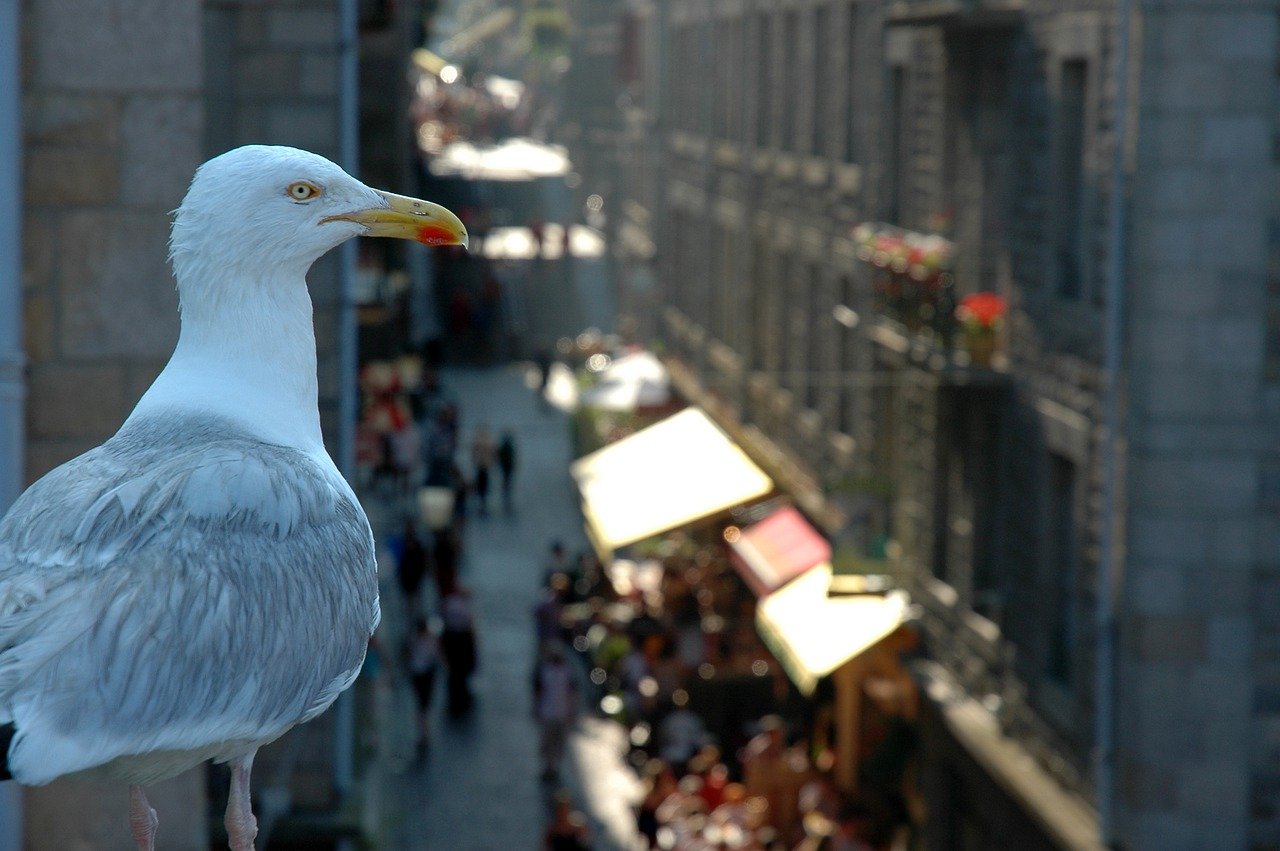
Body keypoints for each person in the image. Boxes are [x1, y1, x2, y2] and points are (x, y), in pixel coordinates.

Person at [533, 644, 578, 783]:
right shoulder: (544, 671)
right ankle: (548, 766)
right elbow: (538, 692)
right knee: (548, 743)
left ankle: (554, 767)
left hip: (561, 713)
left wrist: (572, 711)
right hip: (549, 713)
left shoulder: (567, 672)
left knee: (558, 743)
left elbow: (572, 693)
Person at [404, 617, 440, 756]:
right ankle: (424, 729)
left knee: (422, 703)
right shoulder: (428, 640)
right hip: (423, 674)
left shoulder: (415, 639)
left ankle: (423, 728)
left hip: (420, 674)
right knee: (423, 703)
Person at [440, 586, 478, 717]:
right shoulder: (462, 606)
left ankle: (455, 698)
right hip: (461, 641)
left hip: (452, 639)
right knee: (461, 672)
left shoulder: (449, 603)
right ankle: (461, 698)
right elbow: (470, 625)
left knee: (454, 672)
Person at [396, 519, 429, 615]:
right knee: (407, 608)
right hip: (405, 580)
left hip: (417, 579)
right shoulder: (402, 543)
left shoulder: (418, 544)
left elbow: (423, 560)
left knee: (418, 606)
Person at [471, 425, 495, 515]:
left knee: (481, 483)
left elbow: (474, 452)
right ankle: (482, 500)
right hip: (484, 466)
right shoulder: (489, 441)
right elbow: (493, 452)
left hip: (480, 465)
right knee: (484, 484)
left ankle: (481, 499)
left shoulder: (478, 441)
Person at [496, 430, 517, 513]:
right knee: (507, 482)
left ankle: (506, 496)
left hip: (505, 467)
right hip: (508, 467)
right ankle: (507, 497)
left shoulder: (504, 447)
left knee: (506, 482)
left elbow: (500, 457)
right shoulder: (509, 447)